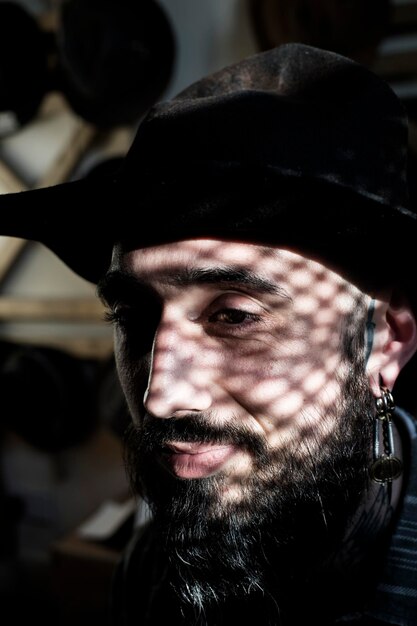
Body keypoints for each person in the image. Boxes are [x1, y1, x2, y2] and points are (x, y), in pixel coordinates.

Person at [1, 42, 417, 625]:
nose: (160, 396)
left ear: (387, 341)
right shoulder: (153, 570)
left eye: (234, 316)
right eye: (134, 316)